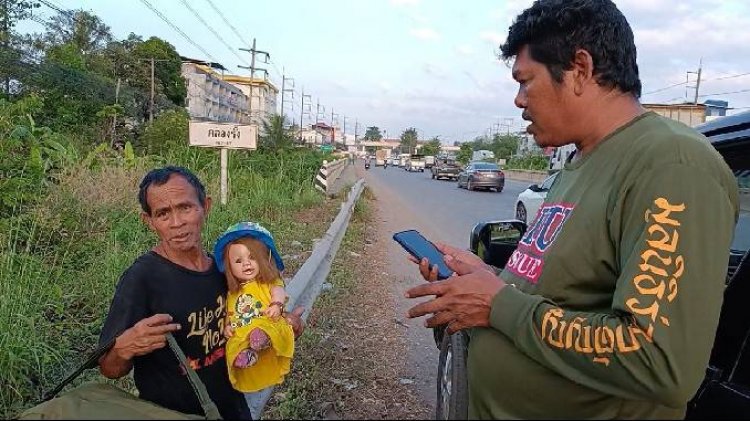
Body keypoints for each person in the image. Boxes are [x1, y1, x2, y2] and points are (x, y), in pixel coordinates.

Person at [405, 0, 739, 419]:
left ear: (580, 69)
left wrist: (499, 305)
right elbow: (565, 293)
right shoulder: (580, 161)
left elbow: (656, 360)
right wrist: (484, 282)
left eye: (526, 81)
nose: (518, 101)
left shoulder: (672, 164)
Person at [97, 166, 305, 420]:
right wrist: (124, 347)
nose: (177, 223)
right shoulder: (142, 279)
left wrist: (285, 325)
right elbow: (109, 368)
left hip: (232, 409)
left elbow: (253, 320)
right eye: (163, 214)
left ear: (205, 206)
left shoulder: (225, 271)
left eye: (185, 208)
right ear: (149, 221)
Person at [213, 222, 295, 419]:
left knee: (268, 327)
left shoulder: (266, 282)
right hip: (243, 330)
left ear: (264, 259)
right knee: (233, 345)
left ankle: (261, 339)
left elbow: (278, 291)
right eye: (239, 261)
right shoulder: (232, 293)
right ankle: (246, 355)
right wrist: (226, 326)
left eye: (252, 257)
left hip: (266, 320)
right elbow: (228, 312)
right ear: (229, 267)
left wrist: (276, 304)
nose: (247, 264)